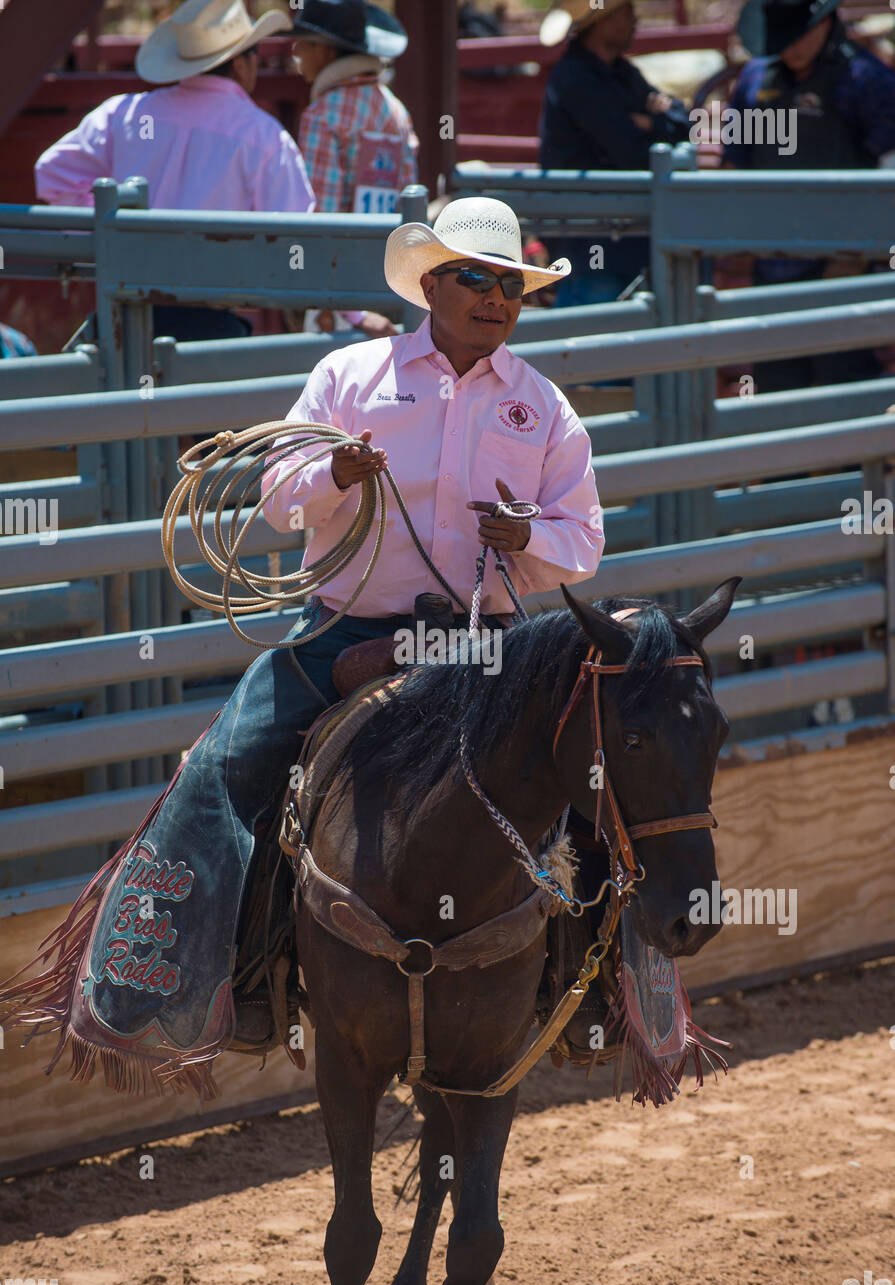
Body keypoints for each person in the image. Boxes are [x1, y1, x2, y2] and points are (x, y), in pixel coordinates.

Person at [13, 197, 602, 1064]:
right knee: (226, 767)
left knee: (603, 772)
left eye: (509, 284)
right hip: (345, 626)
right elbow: (279, 498)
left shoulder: (541, 405)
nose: (494, 298)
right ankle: (218, 979)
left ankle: (599, 994)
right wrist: (333, 469)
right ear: (431, 284)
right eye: (474, 278)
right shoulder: (350, 375)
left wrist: (529, 537)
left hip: (491, 640)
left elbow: (582, 541)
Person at [34, 0, 316, 342]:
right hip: (213, 327)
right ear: (243, 63)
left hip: (125, 316)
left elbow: (52, 175)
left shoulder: (123, 115)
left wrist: (110, 239)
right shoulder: (264, 136)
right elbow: (298, 237)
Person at [727, 0, 895, 391]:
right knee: (777, 381)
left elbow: (889, 174)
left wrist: (858, 256)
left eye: (799, 33)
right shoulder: (755, 80)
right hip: (771, 264)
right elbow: (734, 166)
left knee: (843, 378)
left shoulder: (866, 80)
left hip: (844, 269)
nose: (791, 46)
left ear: (824, 22)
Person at [538, 0, 690, 306]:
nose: (636, 20)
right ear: (603, 21)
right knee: (589, 339)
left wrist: (651, 121)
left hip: (622, 238)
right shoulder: (577, 77)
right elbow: (632, 151)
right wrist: (657, 123)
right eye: (627, 12)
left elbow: (681, 120)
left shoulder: (619, 72)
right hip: (592, 241)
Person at [291, 0, 419, 338]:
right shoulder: (396, 110)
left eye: (302, 42)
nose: (295, 50)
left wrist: (334, 306)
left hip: (342, 300)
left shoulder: (321, 116)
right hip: (393, 285)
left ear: (324, 51)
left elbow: (325, 221)